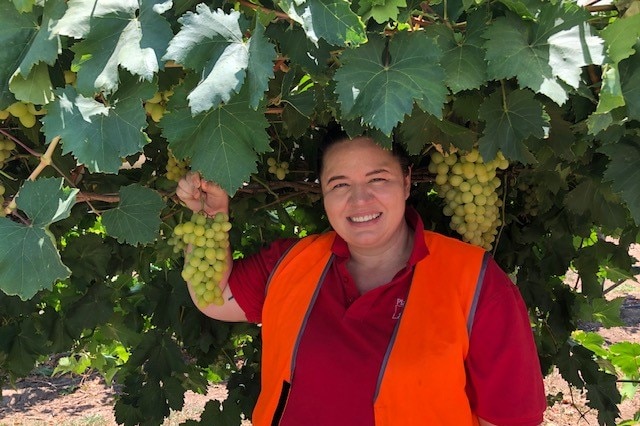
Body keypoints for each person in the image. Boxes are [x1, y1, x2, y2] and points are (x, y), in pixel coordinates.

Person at [176, 134, 547, 426]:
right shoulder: (291, 262)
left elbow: (508, 419)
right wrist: (209, 217)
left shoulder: (476, 282)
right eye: (339, 185)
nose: (360, 199)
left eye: (378, 178)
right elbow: (215, 298)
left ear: (405, 183)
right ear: (322, 192)